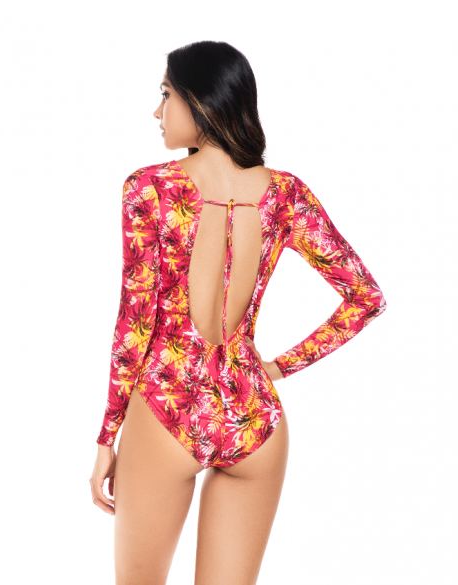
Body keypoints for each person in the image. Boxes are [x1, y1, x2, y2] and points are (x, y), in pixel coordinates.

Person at [89, 40, 387, 585]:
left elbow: (134, 324)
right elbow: (365, 297)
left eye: (165, 95)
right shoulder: (286, 194)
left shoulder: (151, 189)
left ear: (200, 100)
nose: (157, 112)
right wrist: (275, 368)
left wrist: (107, 436)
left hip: (168, 408)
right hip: (254, 413)